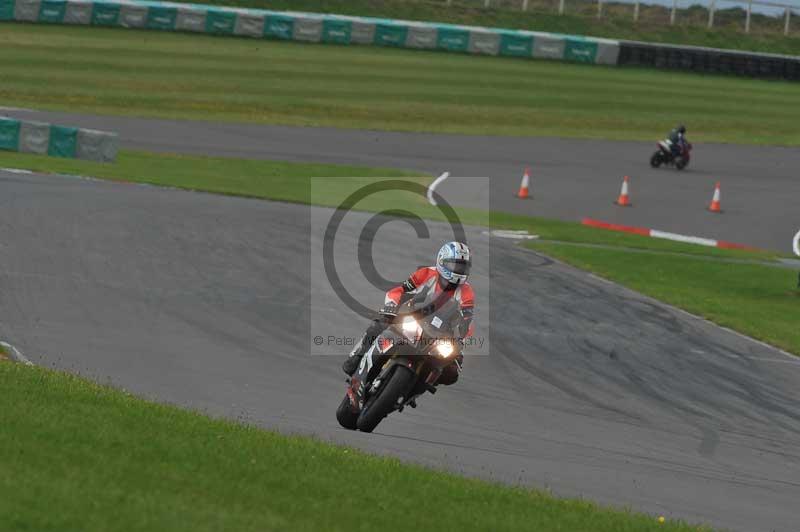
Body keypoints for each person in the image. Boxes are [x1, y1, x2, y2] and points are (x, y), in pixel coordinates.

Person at [342, 241, 475, 386]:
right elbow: (399, 291)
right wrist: (391, 306)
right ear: (442, 260)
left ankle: (418, 387)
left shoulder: (466, 292)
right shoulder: (426, 274)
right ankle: (357, 357)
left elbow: (467, 318)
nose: (458, 270)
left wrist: (460, 339)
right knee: (379, 324)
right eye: (454, 265)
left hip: (439, 334)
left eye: (462, 267)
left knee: (452, 371)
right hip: (411, 317)